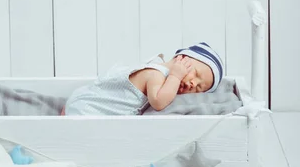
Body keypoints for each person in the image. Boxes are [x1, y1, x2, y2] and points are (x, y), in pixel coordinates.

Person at [62, 42, 223, 116]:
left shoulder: (158, 69)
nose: (193, 83)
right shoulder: (157, 74)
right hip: (87, 110)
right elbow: (158, 102)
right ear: (181, 58)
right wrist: (175, 75)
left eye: (199, 88)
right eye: (196, 74)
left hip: (82, 100)